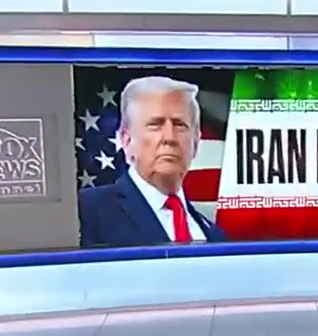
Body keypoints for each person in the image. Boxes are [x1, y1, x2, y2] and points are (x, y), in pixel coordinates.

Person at [79, 76, 227, 248]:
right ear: (126, 140)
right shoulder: (87, 211)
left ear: (196, 142)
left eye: (180, 125)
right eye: (155, 124)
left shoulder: (214, 235)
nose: (170, 138)